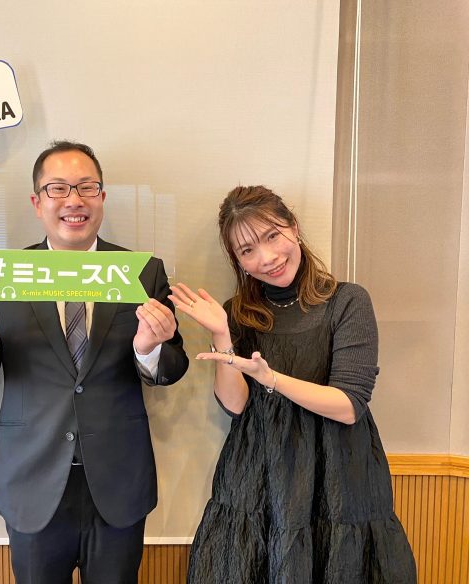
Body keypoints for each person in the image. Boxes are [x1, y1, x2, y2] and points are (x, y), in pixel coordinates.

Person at [0, 141, 189, 584]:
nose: (73, 200)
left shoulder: (142, 271)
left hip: (118, 481)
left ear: (102, 197)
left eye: (86, 187)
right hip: (31, 480)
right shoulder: (3, 272)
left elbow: (173, 367)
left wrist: (148, 349)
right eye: (58, 188)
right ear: (36, 202)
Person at [169, 185, 416, 583]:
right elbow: (235, 406)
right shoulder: (238, 313)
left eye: (272, 235)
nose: (267, 257)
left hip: (337, 471)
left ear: (294, 228)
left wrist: (271, 379)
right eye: (248, 250)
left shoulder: (347, 302)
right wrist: (221, 334)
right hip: (258, 473)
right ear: (238, 261)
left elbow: (348, 405)